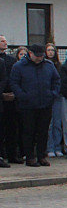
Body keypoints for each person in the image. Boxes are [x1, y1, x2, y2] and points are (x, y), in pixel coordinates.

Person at [9, 44, 62, 167]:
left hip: (45, 104)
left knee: (43, 131)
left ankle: (41, 156)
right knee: (28, 132)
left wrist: (52, 94)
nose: (39, 58)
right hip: (27, 106)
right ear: (30, 54)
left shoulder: (49, 65)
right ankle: (30, 157)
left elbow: (56, 81)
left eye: (41, 56)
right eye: (37, 56)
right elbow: (14, 83)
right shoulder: (19, 66)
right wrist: (23, 96)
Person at [0, 35, 19, 165]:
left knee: (12, 128)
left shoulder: (11, 61)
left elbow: (12, 78)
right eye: (2, 41)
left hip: (11, 98)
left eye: (6, 40)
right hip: (1, 98)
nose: (5, 42)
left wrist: (13, 93)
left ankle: (12, 155)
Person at [44, 43, 63, 158]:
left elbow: (60, 81)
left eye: (52, 50)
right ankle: (50, 147)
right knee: (49, 124)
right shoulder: (43, 65)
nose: (51, 52)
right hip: (47, 97)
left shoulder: (59, 66)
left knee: (57, 123)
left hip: (57, 96)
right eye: (49, 50)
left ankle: (57, 146)